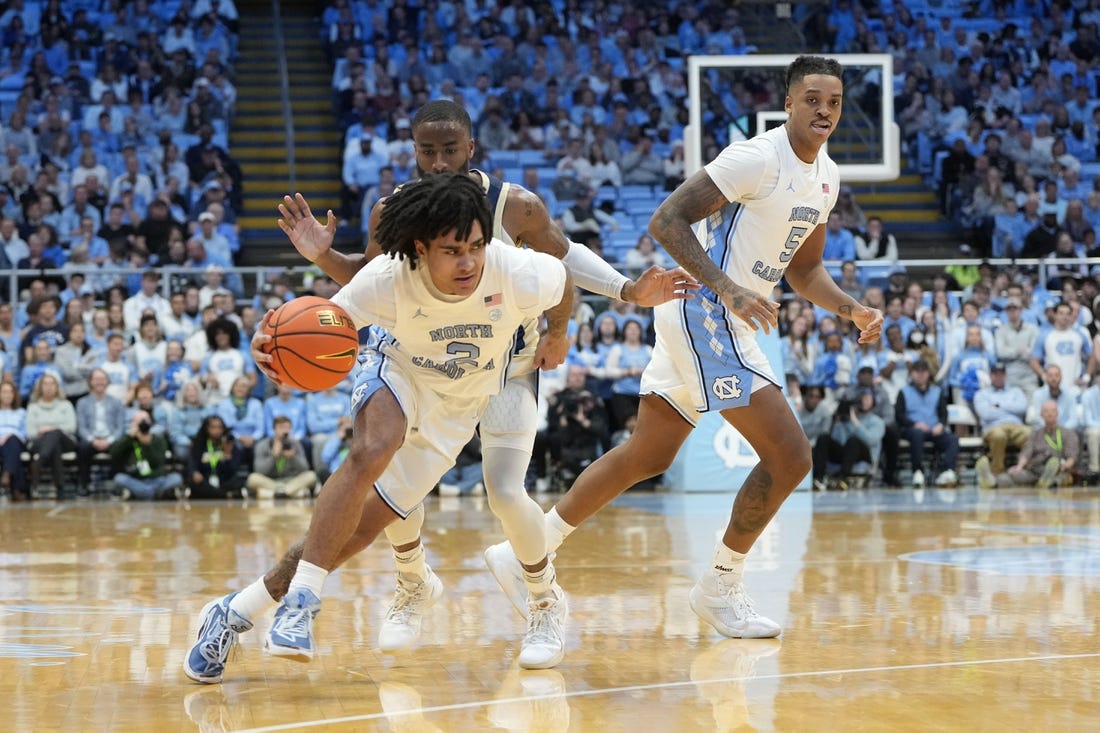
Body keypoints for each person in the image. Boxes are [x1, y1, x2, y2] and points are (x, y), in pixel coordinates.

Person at [257, 100, 693, 654]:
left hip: (509, 364)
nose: (438, 162)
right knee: (387, 471)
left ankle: (543, 601)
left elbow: (565, 263)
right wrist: (325, 257)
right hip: (426, 360)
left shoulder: (516, 205)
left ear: (471, 149)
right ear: (413, 151)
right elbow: (371, 283)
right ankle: (412, 580)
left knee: (507, 494)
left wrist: (571, 324)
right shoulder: (394, 210)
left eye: (449, 149)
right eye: (427, 151)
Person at [483, 56, 883, 637]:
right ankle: (720, 585)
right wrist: (730, 288)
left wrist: (851, 308)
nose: (824, 110)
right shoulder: (756, 157)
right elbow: (666, 221)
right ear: (790, 103)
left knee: (649, 454)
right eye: (813, 99)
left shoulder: (826, 177)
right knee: (792, 456)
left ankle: (528, 547)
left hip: (718, 316)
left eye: (834, 102)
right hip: (707, 311)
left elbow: (806, 270)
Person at [184, 172, 574, 684]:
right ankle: (303, 600)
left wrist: (560, 330)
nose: (468, 262)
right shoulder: (388, 278)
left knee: (361, 527)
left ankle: (235, 611)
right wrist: (269, 337)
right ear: (420, 248)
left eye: (476, 246)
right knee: (375, 446)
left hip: (458, 405)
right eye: (452, 250)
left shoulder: (518, 271)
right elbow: (318, 321)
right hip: (398, 369)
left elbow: (564, 285)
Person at [975, 400, 1079, 488]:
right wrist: (1019, 466)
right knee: (1012, 476)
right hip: (1034, 469)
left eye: (1052, 411)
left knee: (1063, 477)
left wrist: (1066, 466)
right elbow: (1027, 451)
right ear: (1041, 415)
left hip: (1058, 468)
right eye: (1046, 411)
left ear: (1057, 413)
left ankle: (1049, 481)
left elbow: (1071, 456)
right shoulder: (1035, 434)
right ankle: (991, 481)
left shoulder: (1068, 434)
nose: (1050, 414)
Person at [895, 360, 959, 488]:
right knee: (917, 434)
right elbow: (899, 415)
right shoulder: (904, 392)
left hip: (933, 429)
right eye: (916, 372)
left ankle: (946, 471)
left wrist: (940, 424)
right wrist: (915, 424)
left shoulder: (937, 391)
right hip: (912, 429)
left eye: (923, 372)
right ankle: (918, 471)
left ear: (928, 374)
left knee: (952, 439)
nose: (920, 375)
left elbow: (943, 413)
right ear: (911, 374)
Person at [811, 388, 885, 491]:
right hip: (847, 453)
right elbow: (839, 441)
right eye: (862, 399)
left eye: (867, 399)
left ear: (873, 401)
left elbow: (870, 440)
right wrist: (837, 420)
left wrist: (855, 422)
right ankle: (818, 478)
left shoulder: (877, 421)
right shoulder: (846, 419)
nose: (864, 401)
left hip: (865, 455)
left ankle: (843, 478)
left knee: (853, 441)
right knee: (824, 438)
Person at [108, 408, 184, 500]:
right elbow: (113, 453)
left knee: (177, 478)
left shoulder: (158, 439)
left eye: (145, 421)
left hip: (158, 479)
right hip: (137, 480)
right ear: (133, 423)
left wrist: (147, 444)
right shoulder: (128, 439)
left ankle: (144, 494)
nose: (142, 424)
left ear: (150, 423)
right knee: (119, 478)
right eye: (139, 421)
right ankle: (154, 494)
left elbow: (158, 461)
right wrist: (128, 437)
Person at [972, 363, 1030, 477]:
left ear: (1005, 376)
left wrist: (998, 405)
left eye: (1001, 374)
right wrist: (1011, 408)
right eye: (995, 374)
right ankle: (997, 472)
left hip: (1016, 427)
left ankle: (1028, 469)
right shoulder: (981, 394)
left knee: (1031, 434)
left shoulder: (1016, 391)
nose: (998, 377)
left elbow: (1022, 408)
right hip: (993, 427)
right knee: (999, 435)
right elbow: (986, 414)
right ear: (990, 376)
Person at [245, 416, 316, 499]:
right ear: (274, 429)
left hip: (292, 481)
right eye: (281, 428)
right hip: (271, 481)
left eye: (287, 428)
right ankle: (291, 493)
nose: (285, 431)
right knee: (252, 478)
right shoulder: (262, 445)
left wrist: (293, 457)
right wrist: (274, 456)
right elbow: (259, 470)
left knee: (312, 475)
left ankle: (274, 494)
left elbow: (305, 468)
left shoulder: (296, 444)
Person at [0, 381, 29, 501]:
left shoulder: (21, 412)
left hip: (16, 441)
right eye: (4, 392)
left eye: (11, 392)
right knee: (13, 454)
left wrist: (10, 435)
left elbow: (25, 432)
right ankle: (18, 489)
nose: (8, 395)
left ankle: (7, 474)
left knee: (12, 441)